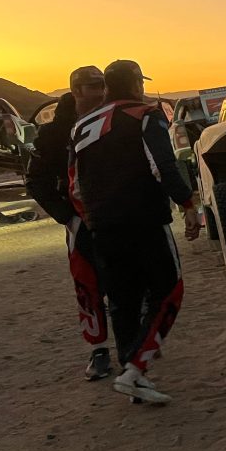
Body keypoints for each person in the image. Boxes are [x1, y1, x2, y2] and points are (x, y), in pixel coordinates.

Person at [69, 59, 202, 403]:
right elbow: (163, 165)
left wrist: (92, 217)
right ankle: (135, 369)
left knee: (123, 301)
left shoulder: (82, 125)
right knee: (169, 290)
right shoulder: (144, 114)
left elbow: (76, 183)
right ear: (135, 83)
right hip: (144, 220)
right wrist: (188, 204)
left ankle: (133, 376)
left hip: (102, 225)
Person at [24, 67, 112, 380]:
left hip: (120, 215)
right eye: (92, 86)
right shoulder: (53, 133)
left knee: (132, 279)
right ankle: (99, 349)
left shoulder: (115, 120)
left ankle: (136, 345)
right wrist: (68, 217)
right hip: (81, 220)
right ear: (76, 90)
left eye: (102, 85)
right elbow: (36, 180)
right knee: (88, 283)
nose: (100, 92)